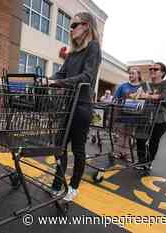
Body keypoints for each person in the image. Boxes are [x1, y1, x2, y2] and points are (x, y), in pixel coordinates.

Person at [49, 12, 102, 201]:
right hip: (67, 105)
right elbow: (61, 74)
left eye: (74, 25)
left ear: (86, 26)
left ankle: (73, 187)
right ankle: (57, 182)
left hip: (81, 106)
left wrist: (58, 84)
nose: (70, 29)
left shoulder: (93, 47)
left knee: (78, 149)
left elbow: (87, 77)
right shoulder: (72, 53)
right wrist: (46, 80)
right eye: (70, 26)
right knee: (59, 146)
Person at [135, 62, 166, 170]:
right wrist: (136, 96)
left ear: (162, 72)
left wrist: (147, 96)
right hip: (145, 116)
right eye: (150, 69)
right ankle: (141, 161)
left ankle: (148, 162)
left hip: (161, 118)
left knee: (153, 141)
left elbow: (165, 95)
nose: (152, 70)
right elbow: (137, 96)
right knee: (140, 138)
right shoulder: (144, 85)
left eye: (155, 69)